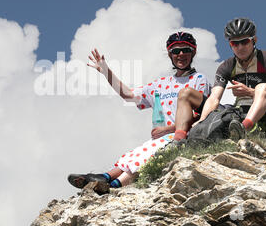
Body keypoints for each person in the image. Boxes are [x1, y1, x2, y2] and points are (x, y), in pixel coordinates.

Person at [67, 32, 211, 191]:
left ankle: (111, 184)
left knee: (147, 155)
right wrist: (105, 71)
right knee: (135, 155)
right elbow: (129, 95)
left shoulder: (199, 79)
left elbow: (202, 115)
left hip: (183, 136)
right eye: (176, 51)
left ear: (194, 52)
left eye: (185, 50)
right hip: (161, 137)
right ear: (170, 54)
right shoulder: (161, 84)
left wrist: (168, 129)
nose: (181, 54)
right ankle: (105, 180)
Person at [172, 17, 266, 142]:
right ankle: (178, 140)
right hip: (238, 113)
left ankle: (246, 127)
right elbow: (214, 98)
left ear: (254, 40)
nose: (240, 47)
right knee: (186, 93)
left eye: (244, 42)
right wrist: (202, 121)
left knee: (262, 87)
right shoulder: (226, 66)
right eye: (234, 43)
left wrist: (250, 92)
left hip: (265, 113)